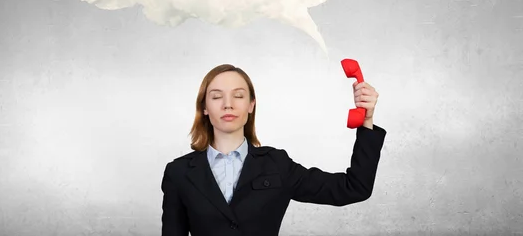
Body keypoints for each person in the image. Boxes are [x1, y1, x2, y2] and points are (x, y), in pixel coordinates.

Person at [161, 64, 386, 236]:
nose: (227, 104)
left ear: (251, 105)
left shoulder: (276, 164)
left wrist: (367, 120)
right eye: (217, 96)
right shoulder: (179, 172)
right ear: (205, 107)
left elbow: (354, 188)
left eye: (238, 96)